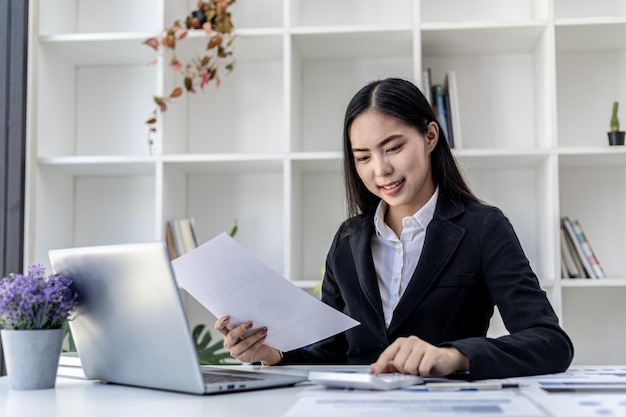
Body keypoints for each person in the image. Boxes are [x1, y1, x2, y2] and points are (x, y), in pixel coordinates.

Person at [215, 77, 574, 380]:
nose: (381, 169)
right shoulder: (348, 239)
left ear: (430, 136)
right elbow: (332, 350)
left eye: (393, 147)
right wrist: (273, 354)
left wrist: (452, 356)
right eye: (364, 157)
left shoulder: (483, 227)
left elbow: (550, 342)